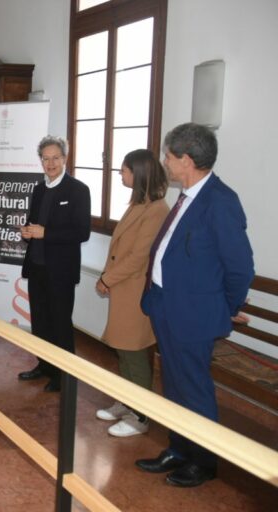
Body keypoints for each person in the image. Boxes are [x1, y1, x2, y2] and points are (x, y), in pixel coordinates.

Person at [135, 123, 254, 487]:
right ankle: (179, 448)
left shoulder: (220, 201)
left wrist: (223, 307)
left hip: (194, 316)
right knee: (174, 385)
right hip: (166, 308)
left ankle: (203, 462)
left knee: (195, 390)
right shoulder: (187, 196)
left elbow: (240, 267)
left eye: (169, 155)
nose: (165, 162)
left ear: (186, 160)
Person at [94, 149, 169, 437]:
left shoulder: (157, 209)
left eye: (124, 170)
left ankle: (140, 416)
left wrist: (108, 279)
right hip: (123, 288)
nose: (120, 174)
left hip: (135, 290)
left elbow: (139, 257)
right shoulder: (139, 203)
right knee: (123, 350)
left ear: (138, 174)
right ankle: (125, 401)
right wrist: (107, 277)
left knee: (134, 352)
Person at [17, 135, 91, 393]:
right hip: (36, 267)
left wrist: (45, 233)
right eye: (45, 158)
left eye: (55, 158)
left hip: (61, 271)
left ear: (65, 159)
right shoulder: (38, 189)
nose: (50, 163)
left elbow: (82, 232)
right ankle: (45, 366)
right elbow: (33, 225)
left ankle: (64, 375)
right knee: (40, 322)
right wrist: (26, 233)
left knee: (60, 324)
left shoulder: (78, 190)